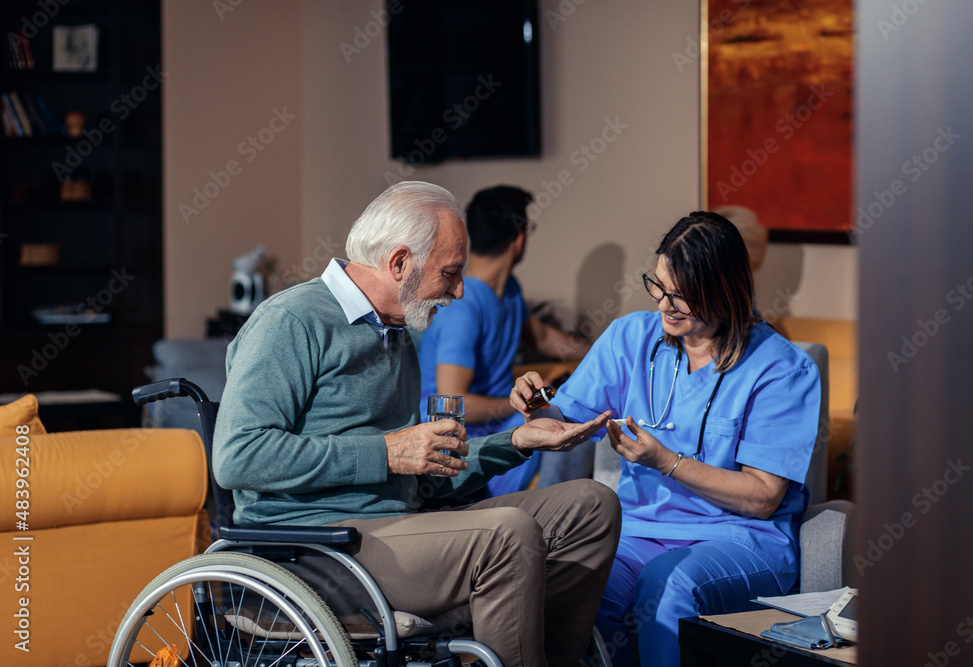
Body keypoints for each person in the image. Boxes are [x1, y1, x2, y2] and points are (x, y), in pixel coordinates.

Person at [213, 181, 621, 667]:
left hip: (400, 527)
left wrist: (515, 441)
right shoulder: (291, 320)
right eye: (450, 273)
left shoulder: (397, 333)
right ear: (400, 262)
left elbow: (426, 479)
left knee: (591, 506)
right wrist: (387, 452)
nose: (460, 290)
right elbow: (238, 457)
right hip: (317, 550)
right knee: (507, 532)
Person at [510, 211, 821, 667]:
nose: (664, 305)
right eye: (657, 286)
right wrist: (539, 406)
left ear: (725, 291)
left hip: (738, 537)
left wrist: (667, 462)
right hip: (638, 530)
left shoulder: (782, 369)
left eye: (683, 296)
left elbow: (763, 498)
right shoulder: (629, 338)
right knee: (577, 580)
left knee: (667, 584)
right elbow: (568, 417)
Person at [417, 185, 589, 496]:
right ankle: (553, 522)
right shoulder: (463, 307)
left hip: (498, 423)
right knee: (563, 421)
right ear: (520, 236)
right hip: (461, 441)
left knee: (566, 412)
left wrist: (602, 353)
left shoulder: (509, 288)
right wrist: (520, 405)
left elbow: (542, 337)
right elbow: (456, 404)